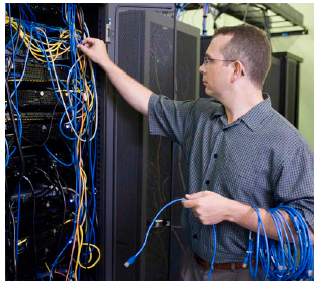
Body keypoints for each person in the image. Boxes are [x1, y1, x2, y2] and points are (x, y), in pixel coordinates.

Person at [78, 24, 314, 281]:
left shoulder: (286, 142)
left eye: (209, 60)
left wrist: (230, 211)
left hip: (246, 273)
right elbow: (149, 103)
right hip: (192, 266)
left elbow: (309, 230)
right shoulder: (200, 114)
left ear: (236, 70)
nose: (202, 67)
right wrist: (105, 62)